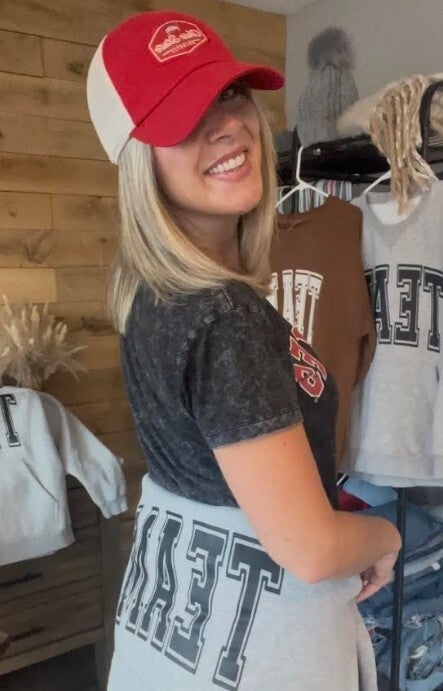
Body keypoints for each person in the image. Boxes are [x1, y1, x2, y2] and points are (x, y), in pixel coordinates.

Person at [86, 11, 401, 691]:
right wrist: (387, 537)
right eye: (183, 115)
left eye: (228, 93)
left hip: (178, 639)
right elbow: (311, 549)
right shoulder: (223, 316)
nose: (227, 125)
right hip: (252, 650)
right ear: (140, 163)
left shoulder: (147, 292)